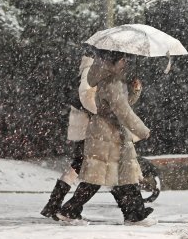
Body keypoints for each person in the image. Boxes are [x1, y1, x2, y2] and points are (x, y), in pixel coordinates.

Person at [56, 49, 155, 226]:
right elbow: (123, 111)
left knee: (122, 175)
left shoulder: (111, 79)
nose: (126, 62)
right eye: (123, 59)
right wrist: (143, 131)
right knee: (98, 178)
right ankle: (69, 211)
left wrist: (135, 90)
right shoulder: (112, 82)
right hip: (107, 134)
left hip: (109, 132)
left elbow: (123, 104)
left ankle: (135, 214)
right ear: (114, 61)